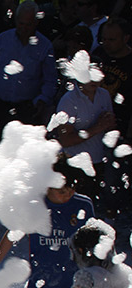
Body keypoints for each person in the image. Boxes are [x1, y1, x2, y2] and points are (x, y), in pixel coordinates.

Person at [0, 158, 95, 288]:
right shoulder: (35, 206)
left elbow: (96, 240)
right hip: (41, 279)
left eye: (72, 190)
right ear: (47, 187)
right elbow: (13, 233)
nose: (68, 195)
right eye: (62, 191)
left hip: (72, 280)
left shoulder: (82, 205)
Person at [0, 1, 58, 146]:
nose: (24, 28)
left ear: (36, 22)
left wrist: (43, 100)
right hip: (1, 105)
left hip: (27, 108)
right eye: (21, 24)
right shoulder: (2, 40)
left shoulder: (45, 46)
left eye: (28, 24)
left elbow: (50, 80)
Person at [54, 57, 116, 217]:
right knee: (71, 212)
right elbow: (65, 139)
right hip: (73, 164)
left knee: (90, 211)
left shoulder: (103, 95)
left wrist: (109, 124)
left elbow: (109, 125)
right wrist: (97, 128)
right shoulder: (68, 100)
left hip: (96, 162)